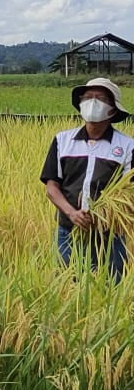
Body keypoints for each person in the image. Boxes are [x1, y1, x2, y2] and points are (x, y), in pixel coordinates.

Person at [40, 77, 133, 281]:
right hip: (68, 231)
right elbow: (52, 186)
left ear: (113, 109)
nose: (92, 102)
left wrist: (103, 217)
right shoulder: (62, 141)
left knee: (111, 290)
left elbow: (129, 195)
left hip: (110, 237)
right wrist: (72, 213)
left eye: (100, 98)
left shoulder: (127, 146)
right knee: (67, 288)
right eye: (87, 97)